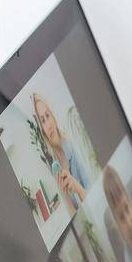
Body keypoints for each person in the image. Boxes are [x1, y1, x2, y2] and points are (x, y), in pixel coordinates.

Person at [32, 91, 92, 219]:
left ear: (53, 116)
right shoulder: (55, 168)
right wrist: (65, 196)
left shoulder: (71, 144)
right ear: (42, 128)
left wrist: (78, 188)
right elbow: (74, 217)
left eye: (47, 116)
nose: (48, 124)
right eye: (42, 120)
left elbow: (94, 193)